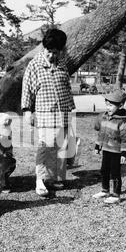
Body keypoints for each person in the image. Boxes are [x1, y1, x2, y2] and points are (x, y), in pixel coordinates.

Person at [21, 28, 76, 197]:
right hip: (45, 113)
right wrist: (27, 111)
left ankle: (55, 179)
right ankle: (41, 180)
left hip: (63, 112)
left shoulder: (62, 64)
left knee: (61, 146)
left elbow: (67, 87)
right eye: (50, 51)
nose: (53, 55)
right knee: (46, 146)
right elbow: (27, 90)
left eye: (56, 52)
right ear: (44, 48)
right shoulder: (34, 65)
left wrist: (71, 108)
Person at [93, 89, 126, 204]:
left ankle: (116, 194)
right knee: (104, 170)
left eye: (110, 105)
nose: (108, 108)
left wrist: (124, 153)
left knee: (115, 172)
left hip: (117, 152)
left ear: (120, 105)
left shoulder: (123, 121)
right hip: (106, 149)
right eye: (107, 105)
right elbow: (101, 133)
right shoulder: (105, 117)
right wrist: (97, 146)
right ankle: (105, 190)